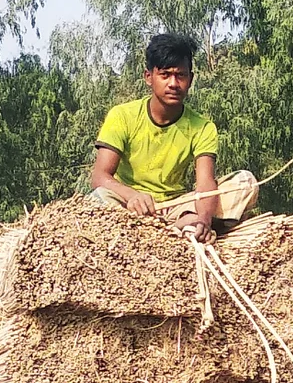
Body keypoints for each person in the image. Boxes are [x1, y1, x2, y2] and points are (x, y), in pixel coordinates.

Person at [89, 33, 258, 241]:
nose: (173, 83)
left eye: (181, 75)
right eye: (165, 74)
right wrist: (132, 196)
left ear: (191, 79)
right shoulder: (122, 116)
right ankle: (173, 229)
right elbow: (99, 176)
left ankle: (186, 224)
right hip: (130, 207)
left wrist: (204, 219)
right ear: (148, 77)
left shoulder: (202, 127)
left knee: (245, 182)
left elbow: (205, 183)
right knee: (97, 200)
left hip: (176, 206)